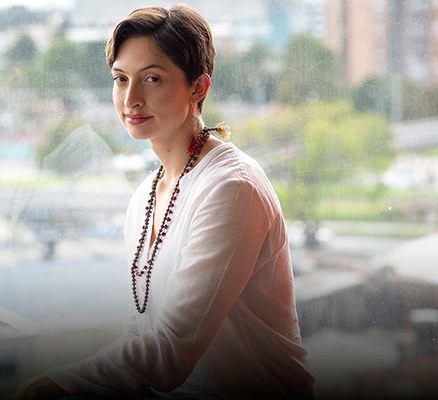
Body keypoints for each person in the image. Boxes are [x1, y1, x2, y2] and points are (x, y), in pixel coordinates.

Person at [16, 4, 315, 399]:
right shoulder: (144, 196)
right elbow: (140, 335)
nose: (131, 98)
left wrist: (57, 384)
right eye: (120, 79)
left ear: (198, 88)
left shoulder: (231, 187)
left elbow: (169, 354)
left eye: (152, 79)